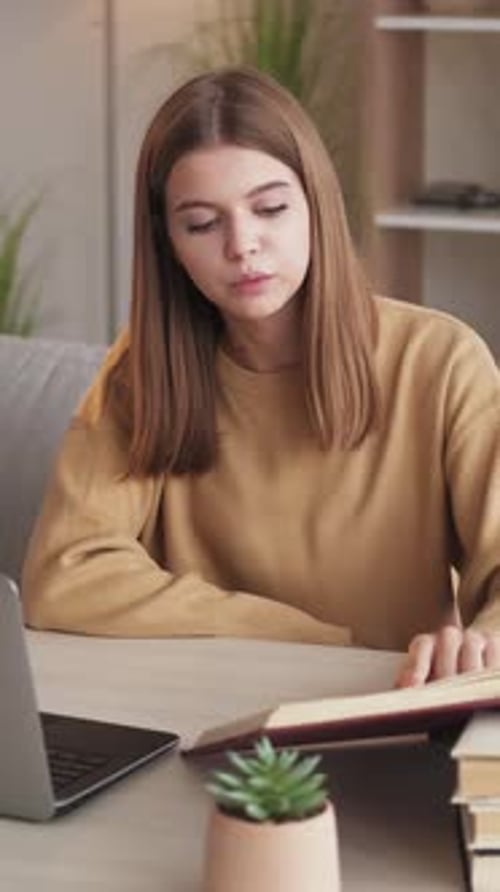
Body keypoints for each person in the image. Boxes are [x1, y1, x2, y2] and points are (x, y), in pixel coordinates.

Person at [22, 67, 500, 688]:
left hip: (385, 708)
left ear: (316, 208)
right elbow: (65, 575)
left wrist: (480, 647)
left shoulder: (438, 360)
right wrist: (308, 636)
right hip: (196, 712)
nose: (243, 245)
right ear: (168, 243)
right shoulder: (142, 375)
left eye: (270, 208)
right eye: (201, 223)